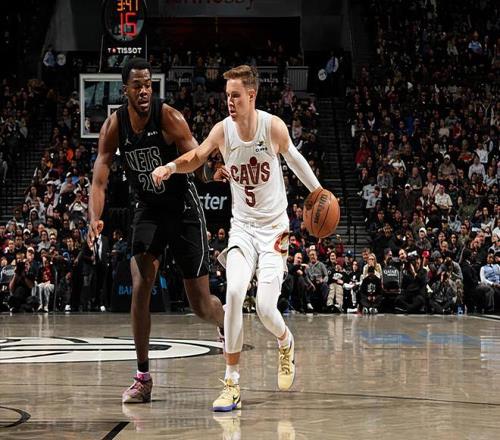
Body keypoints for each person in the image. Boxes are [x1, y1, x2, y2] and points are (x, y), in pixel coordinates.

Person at [152, 65, 323, 411]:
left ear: (251, 95)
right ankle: (231, 383)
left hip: (274, 229)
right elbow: (197, 156)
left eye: (235, 96)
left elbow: (294, 159)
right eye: (227, 96)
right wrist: (171, 167)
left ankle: (285, 341)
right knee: (232, 294)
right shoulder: (223, 130)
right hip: (242, 228)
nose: (229, 101)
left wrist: (319, 192)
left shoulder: (272, 127)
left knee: (265, 308)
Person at [87, 58, 225, 404]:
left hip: (182, 207)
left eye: (148, 84)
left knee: (201, 305)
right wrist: (94, 218)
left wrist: (210, 175)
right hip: (148, 208)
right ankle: (143, 377)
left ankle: (224, 321)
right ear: (125, 89)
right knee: (141, 283)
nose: (144, 90)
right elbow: (99, 180)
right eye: (137, 85)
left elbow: (196, 157)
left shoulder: (169, 117)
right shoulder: (114, 126)